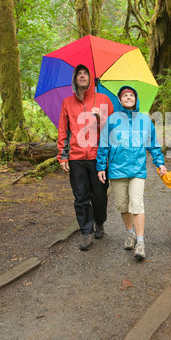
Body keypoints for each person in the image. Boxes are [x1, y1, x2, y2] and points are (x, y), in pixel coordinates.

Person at [96, 86, 166, 260]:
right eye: (124, 95)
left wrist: (160, 163)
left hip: (137, 168)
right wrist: (100, 167)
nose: (128, 97)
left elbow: (153, 144)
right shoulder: (112, 120)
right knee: (122, 204)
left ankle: (140, 242)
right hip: (116, 169)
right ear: (119, 100)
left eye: (131, 95)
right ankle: (130, 234)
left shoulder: (144, 120)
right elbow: (104, 144)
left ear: (136, 99)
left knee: (137, 203)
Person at [57, 64, 113, 251]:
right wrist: (62, 156)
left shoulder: (103, 99)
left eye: (85, 74)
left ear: (91, 79)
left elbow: (112, 130)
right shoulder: (67, 102)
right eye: (79, 74)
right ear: (75, 79)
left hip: (98, 156)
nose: (82, 76)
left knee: (99, 195)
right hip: (76, 157)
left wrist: (101, 118)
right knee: (80, 196)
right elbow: (63, 130)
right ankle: (86, 232)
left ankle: (99, 222)